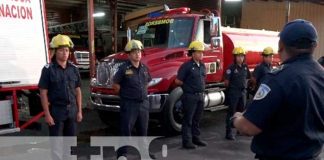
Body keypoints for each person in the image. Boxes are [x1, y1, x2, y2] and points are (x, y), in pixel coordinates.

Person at [232, 19, 324, 160]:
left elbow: (248, 127)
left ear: (281, 45)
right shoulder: (321, 75)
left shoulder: (278, 79)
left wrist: (236, 118)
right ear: (315, 45)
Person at [112, 39, 155, 159]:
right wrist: (126, 95)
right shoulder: (123, 68)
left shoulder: (144, 68)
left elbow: (147, 83)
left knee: (143, 131)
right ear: (129, 54)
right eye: (134, 52)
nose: (138, 54)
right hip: (129, 104)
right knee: (126, 130)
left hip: (143, 104)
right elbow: (115, 85)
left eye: (139, 52)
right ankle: (122, 155)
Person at [39, 34, 83, 136]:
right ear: (55, 52)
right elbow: (43, 93)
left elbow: (78, 91)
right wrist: (47, 114)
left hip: (72, 110)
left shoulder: (74, 69)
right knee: (56, 145)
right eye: (61, 50)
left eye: (67, 50)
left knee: (70, 144)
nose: (65, 53)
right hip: (56, 111)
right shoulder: (48, 70)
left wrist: (79, 111)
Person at [175, 40, 208, 149]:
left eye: (202, 52)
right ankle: (187, 141)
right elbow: (178, 81)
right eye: (199, 52)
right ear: (193, 53)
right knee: (188, 120)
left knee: (197, 119)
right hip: (190, 96)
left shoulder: (202, 66)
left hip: (200, 96)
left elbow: (203, 79)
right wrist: (188, 87)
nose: (201, 54)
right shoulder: (187, 66)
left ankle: (196, 138)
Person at [224, 47, 251, 140]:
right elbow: (226, 82)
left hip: (242, 92)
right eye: (238, 56)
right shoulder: (231, 68)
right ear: (235, 57)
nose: (240, 58)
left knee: (241, 112)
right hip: (233, 92)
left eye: (242, 56)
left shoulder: (245, 67)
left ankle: (239, 130)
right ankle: (229, 133)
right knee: (232, 112)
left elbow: (248, 78)